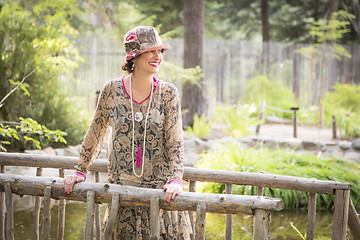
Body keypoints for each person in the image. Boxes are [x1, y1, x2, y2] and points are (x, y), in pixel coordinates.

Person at [62, 26, 192, 239]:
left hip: (160, 195)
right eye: (151, 51)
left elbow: (175, 140)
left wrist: (176, 179)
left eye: (160, 51)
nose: (157, 56)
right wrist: (80, 170)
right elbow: (96, 131)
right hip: (121, 194)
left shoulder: (168, 93)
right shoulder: (112, 90)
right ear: (135, 55)